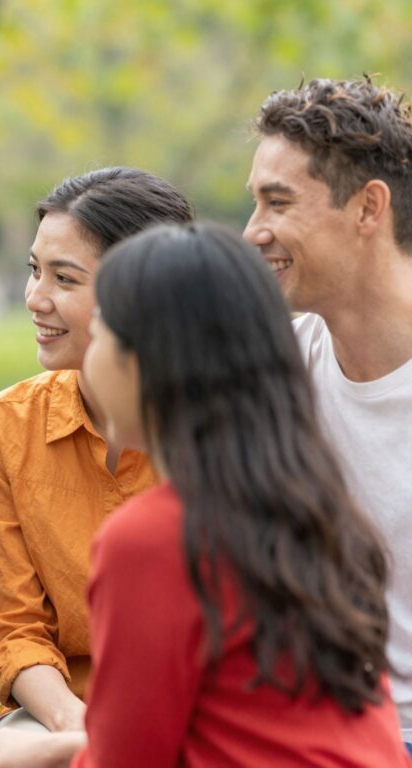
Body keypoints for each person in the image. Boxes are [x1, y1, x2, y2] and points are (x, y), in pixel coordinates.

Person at [0, 222, 410, 767]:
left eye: (105, 327)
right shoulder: (313, 503)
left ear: (148, 361)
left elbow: (128, 762)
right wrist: (63, 744)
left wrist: (35, 757)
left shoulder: (156, 538)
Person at [0, 167, 193, 735]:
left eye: (64, 279)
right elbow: (13, 627)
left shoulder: (223, 431)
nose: (35, 299)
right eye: (34, 270)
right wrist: (76, 725)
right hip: (57, 711)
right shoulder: (6, 428)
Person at [243, 76, 412, 752]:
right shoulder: (276, 368)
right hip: (311, 731)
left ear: (369, 208)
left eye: (277, 203)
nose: (253, 231)